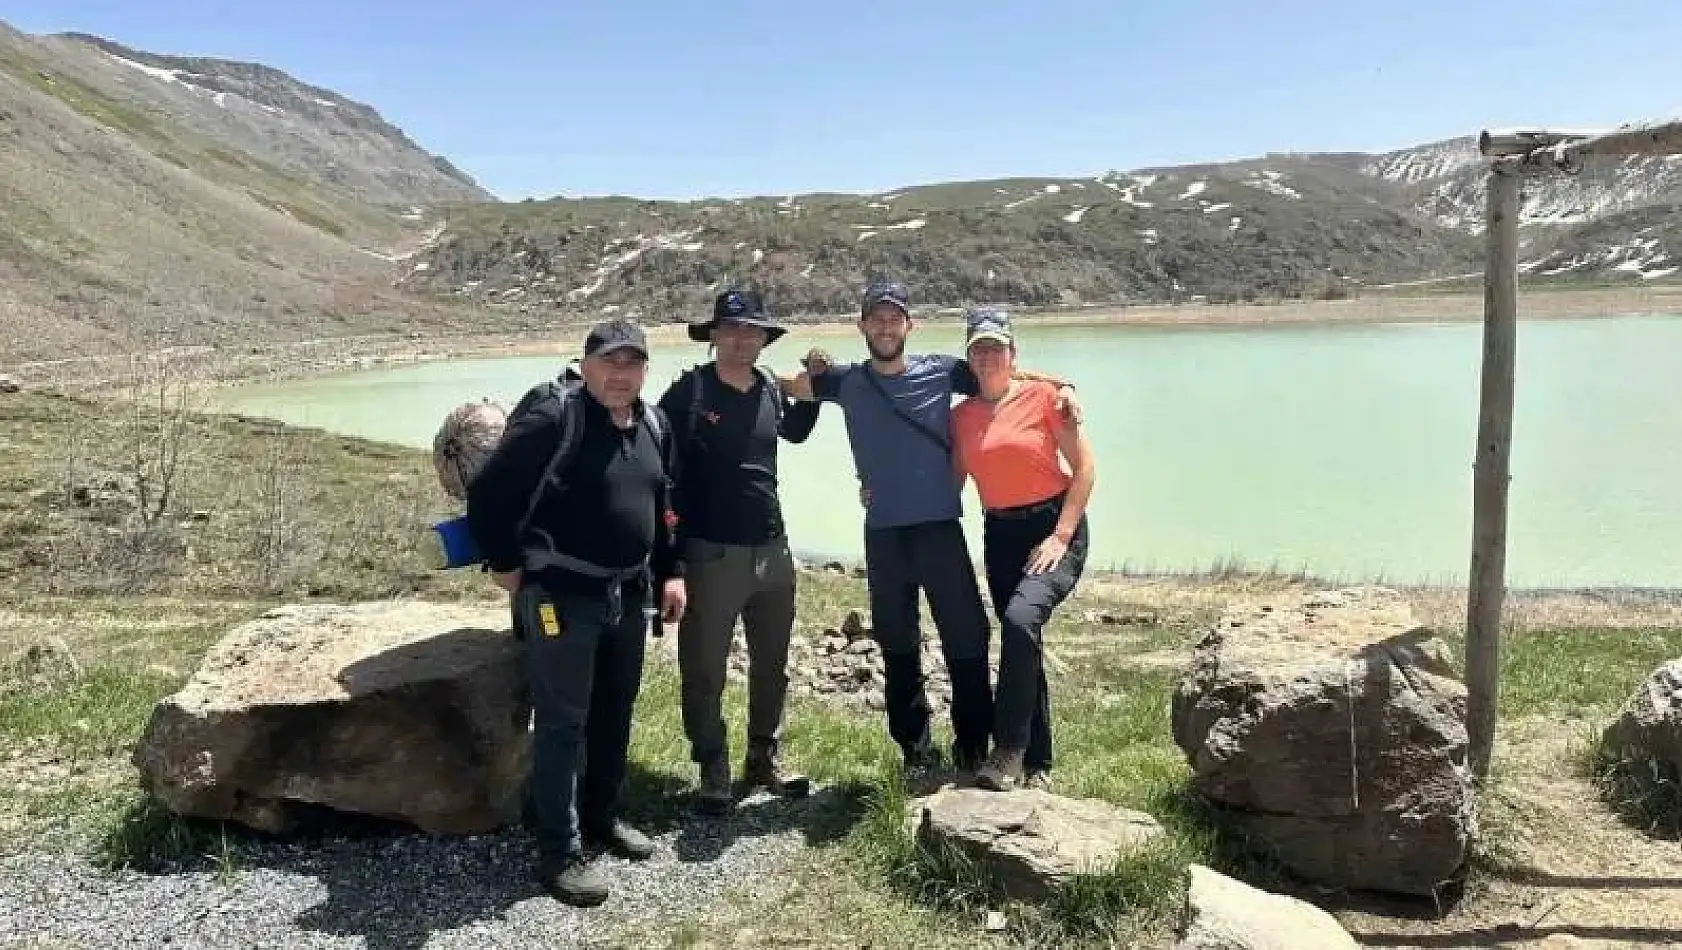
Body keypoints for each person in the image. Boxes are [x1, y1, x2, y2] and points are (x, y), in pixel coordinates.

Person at [784, 280, 1078, 775]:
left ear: (908, 326)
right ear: (862, 326)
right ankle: (915, 749)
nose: (884, 326)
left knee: (966, 636)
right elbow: (791, 387)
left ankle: (971, 746)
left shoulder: (942, 372)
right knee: (897, 641)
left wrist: (1063, 384)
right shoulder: (847, 382)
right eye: (875, 318)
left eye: (893, 317)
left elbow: (1003, 373)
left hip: (939, 529)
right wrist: (794, 367)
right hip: (884, 534)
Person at [465, 319, 686, 908]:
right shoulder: (556, 417)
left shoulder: (651, 423)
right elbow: (489, 492)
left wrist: (673, 572)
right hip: (561, 596)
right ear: (585, 365)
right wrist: (506, 562)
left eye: (632, 363)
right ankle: (558, 852)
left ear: (645, 370)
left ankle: (601, 818)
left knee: (615, 710)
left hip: (629, 594)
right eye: (609, 362)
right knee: (563, 721)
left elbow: (663, 505)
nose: (621, 374)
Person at [656, 289, 821, 814]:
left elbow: (795, 432)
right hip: (711, 553)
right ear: (714, 337)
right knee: (704, 667)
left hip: (774, 550)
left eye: (752, 331)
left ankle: (762, 758)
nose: (742, 339)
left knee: (772, 664)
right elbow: (662, 476)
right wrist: (673, 563)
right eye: (732, 330)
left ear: (763, 339)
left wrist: (813, 389)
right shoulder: (689, 394)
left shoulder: (770, 388)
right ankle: (712, 766)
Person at [950, 308, 1096, 791]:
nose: (988, 356)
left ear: (1012, 353)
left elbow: (1086, 469)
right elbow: (948, 481)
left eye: (997, 347)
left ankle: (1009, 750)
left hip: (1053, 527)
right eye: (979, 348)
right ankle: (1040, 764)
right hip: (1000, 535)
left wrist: (1060, 535)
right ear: (969, 357)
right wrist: (881, 492)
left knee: (1019, 621)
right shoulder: (962, 417)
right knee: (1021, 635)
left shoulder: (1047, 398)